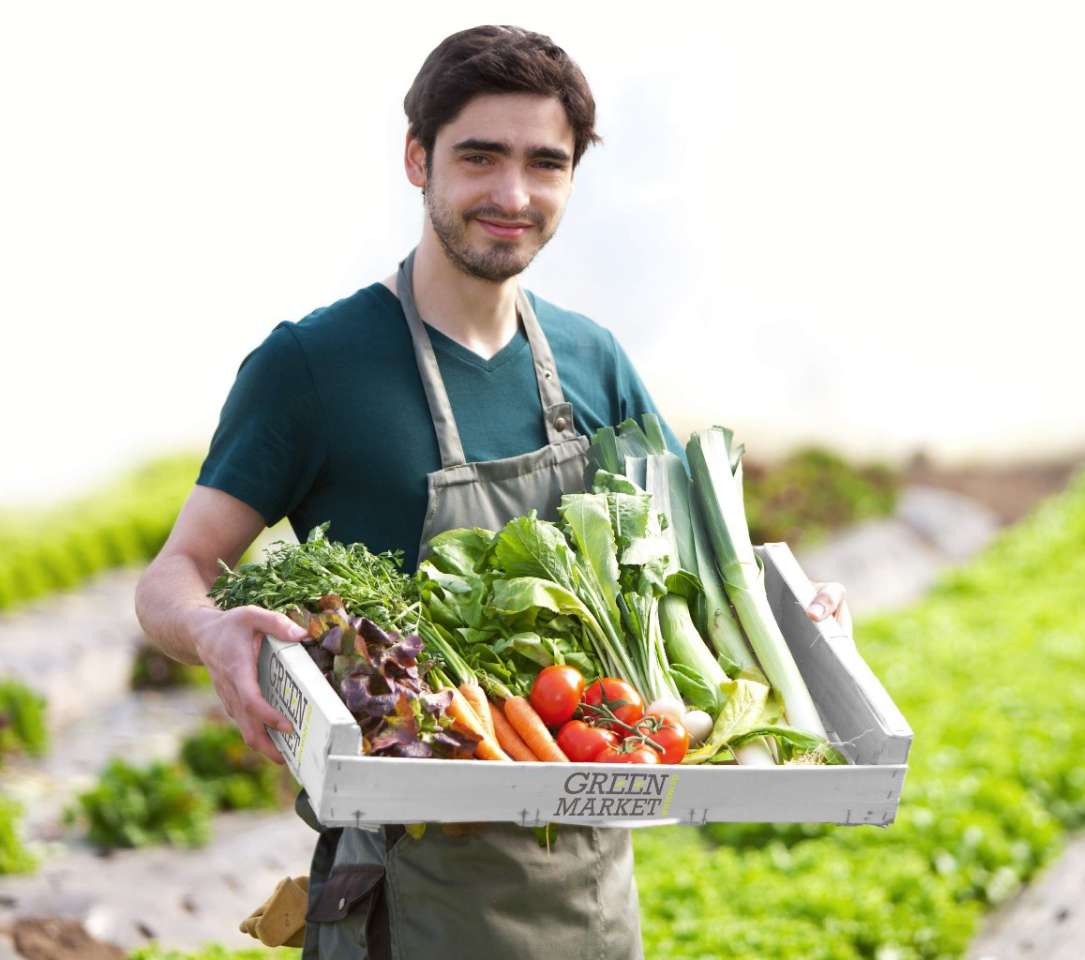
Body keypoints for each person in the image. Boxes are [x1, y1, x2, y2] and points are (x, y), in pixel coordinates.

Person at [134, 24, 852, 960]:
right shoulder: (314, 366)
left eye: (544, 164)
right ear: (416, 158)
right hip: (406, 898)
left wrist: (789, 614)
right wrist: (210, 629)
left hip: (592, 898)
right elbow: (174, 574)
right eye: (480, 157)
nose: (512, 195)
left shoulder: (597, 363)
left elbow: (690, 576)